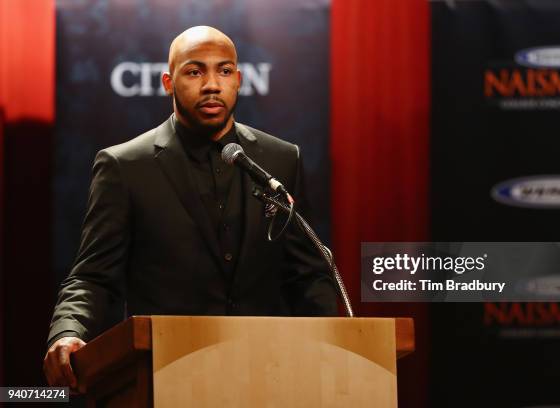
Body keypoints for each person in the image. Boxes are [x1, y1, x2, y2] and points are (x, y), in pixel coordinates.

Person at [43, 26, 338, 389]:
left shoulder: (281, 159)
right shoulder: (125, 165)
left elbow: (308, 274)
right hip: (165, 374)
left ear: (240, 80)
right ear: (168, 81)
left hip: (267, 373)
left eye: (224, 71)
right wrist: (68, 331)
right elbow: (92, 276)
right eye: (195, 71)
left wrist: (333, 346)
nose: (212, 84)